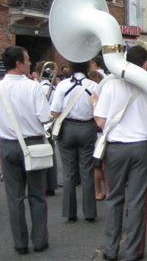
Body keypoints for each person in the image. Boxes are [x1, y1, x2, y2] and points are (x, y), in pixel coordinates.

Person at [93, 45, 147, 261]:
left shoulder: (111, 85)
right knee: (137, 201)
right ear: (145, 64)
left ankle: (111, 250)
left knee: (114, 199)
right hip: (142, 146)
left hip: (116, 148)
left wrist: (94, 105)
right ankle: (133, 252)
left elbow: (101, 121)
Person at [0, 46, 51, 255]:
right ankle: (39, 241)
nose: (29, 63)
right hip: (33, 143)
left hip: (8, 145)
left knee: (14, 198)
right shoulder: (34, 87)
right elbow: (45, 117)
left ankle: (20, 243)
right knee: (37, 195)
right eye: (27, 60)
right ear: (18, 64)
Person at [50, 61, 98, 223]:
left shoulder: (63, 85)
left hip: (67, 128)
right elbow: (98, 110)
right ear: (86, 68)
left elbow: (55, 111)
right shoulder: (94, 85)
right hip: (87, 128)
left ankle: (70, 213)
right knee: (87, 171)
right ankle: (90, 212)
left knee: (69, 173)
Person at [34, 60, 58, 196]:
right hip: (52, 123)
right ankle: (51, 184)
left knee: (42, 155)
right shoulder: (53, 87)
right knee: (51, 154)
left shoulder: (39, 88)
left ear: (38, 73)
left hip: (44, 124)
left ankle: (44, 185)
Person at [87, 70, 106, 202]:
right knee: (101, 164)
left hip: (92, 129)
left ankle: (97, 191)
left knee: (97, 164)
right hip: (100, 131)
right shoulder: (102, 92)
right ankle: (103, 190)